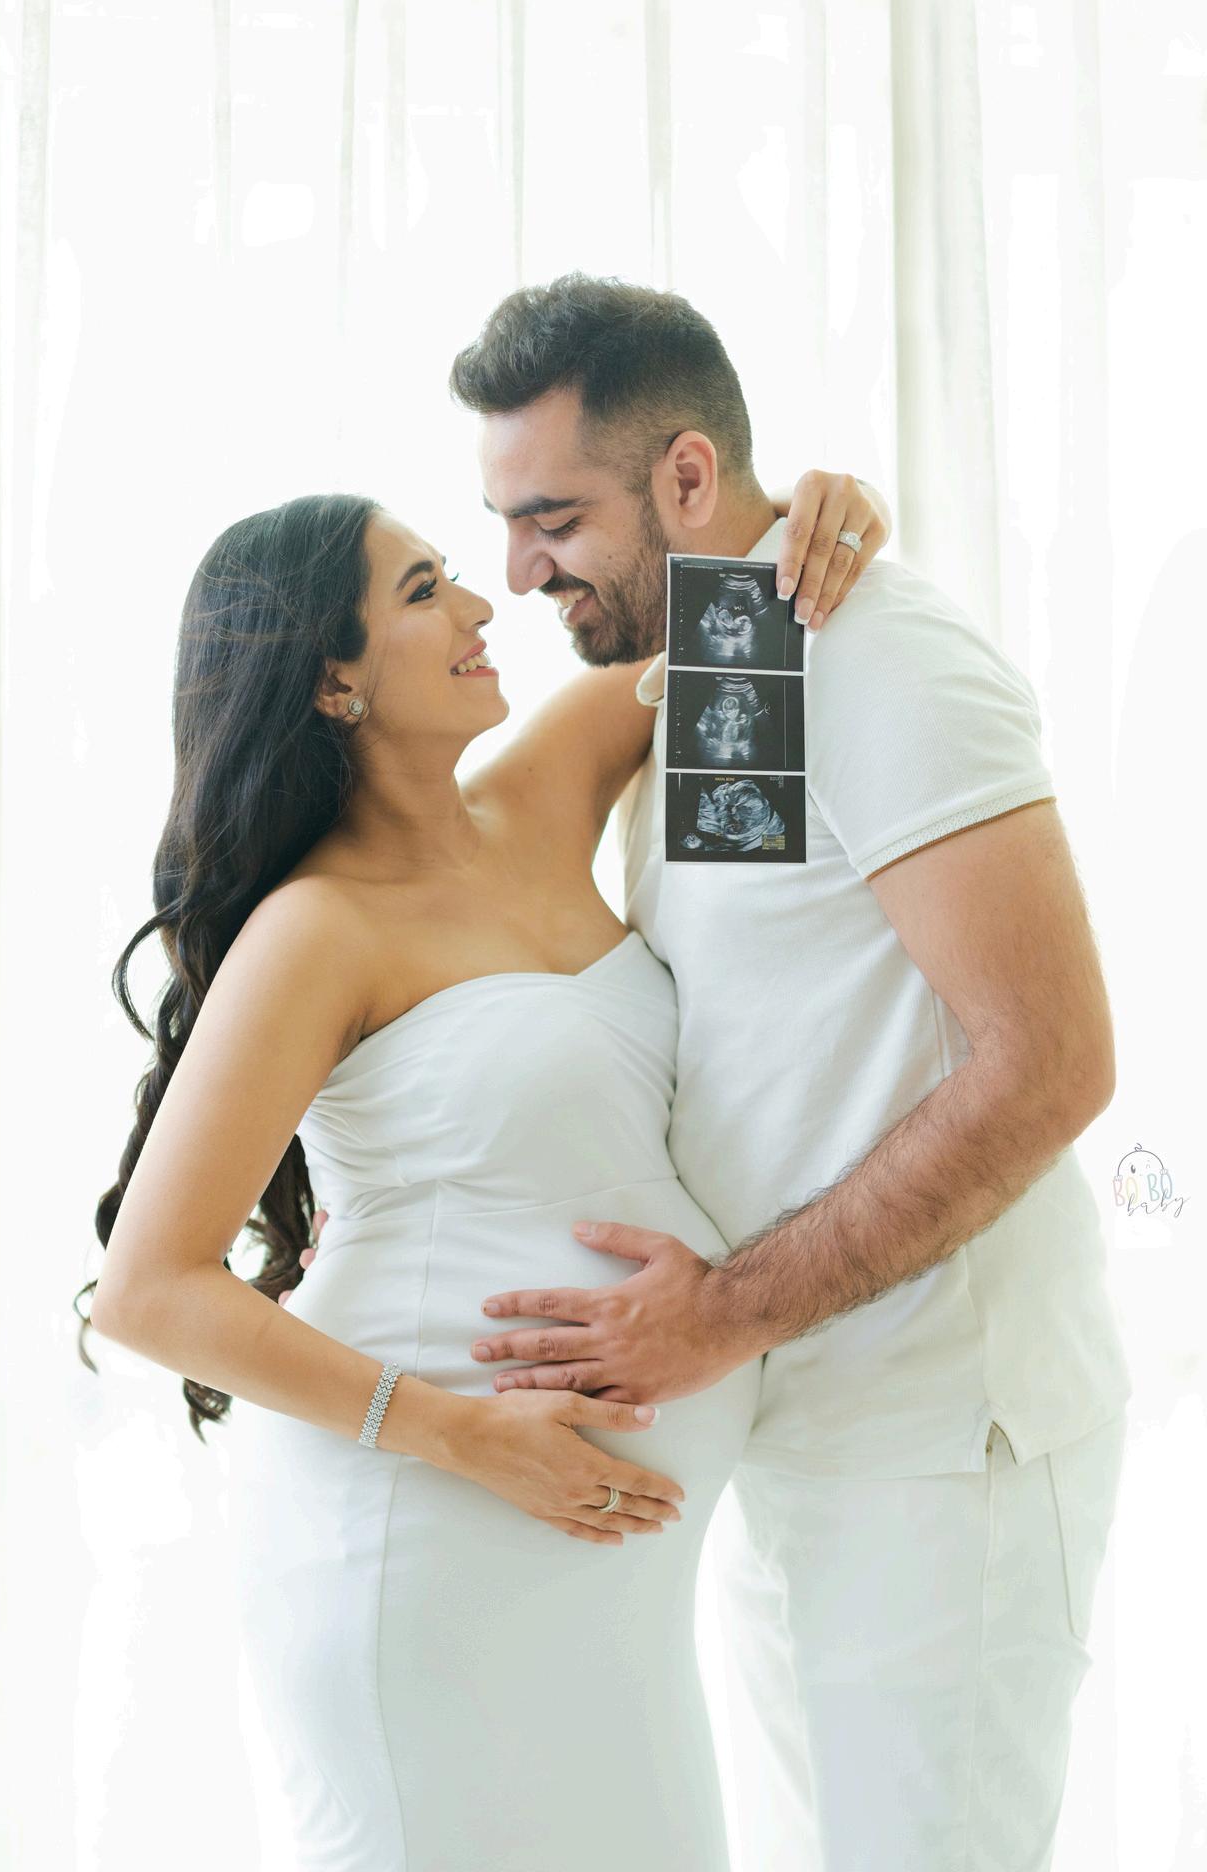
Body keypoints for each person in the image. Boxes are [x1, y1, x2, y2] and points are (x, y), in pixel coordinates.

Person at [406, 273, 1131, 1872]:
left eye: (554, 520)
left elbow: (1053, 1066)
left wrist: (724, 1313)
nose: (517, 573)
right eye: (504, 524)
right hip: (789, 1435)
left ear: (683, 475)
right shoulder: (728, 651)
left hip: (942, 1446)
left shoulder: (883, 661)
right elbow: (753, 1008)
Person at [82, 454, 891, 1867]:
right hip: (428, 1525)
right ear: (333, 682)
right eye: (422, 590)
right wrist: (461, 1435)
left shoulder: (543, 789)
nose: (480, 605)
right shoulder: (317, 930)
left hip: (613, 1567)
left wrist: (835, 502)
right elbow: (147, 1292)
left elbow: (748, 607)